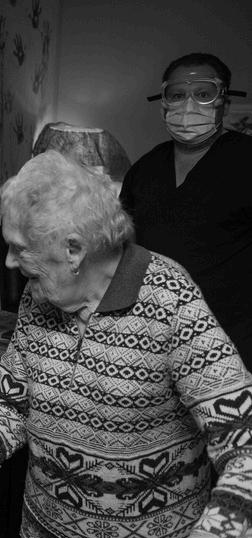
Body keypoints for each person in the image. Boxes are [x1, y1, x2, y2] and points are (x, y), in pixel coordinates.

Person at [0, 150, 252, 538]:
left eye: (19, 248)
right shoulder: (39, 297)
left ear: (74, 250)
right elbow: (10, 402)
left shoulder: (170, 299)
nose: (8, 262)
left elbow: (244, 445)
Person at [120, 52, 252, 368]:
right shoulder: (146, 168)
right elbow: (125, 249)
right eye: (177, 95)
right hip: (153, 338)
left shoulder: (246, 159)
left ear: (224, 104)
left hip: (232, 340)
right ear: (164, 104)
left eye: (203, 94)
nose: (188, 105)